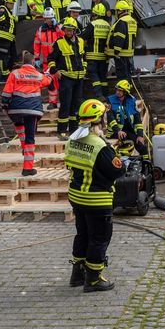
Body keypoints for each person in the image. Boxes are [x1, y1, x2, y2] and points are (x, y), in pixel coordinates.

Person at [64, 100, 125, 293]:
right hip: (96, 200)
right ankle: (93, 279)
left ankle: (77, 274)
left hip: (77, 197)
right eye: (105, 117)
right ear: (99, 120)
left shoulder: (72, 140)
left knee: (83, 235)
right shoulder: (100, 146)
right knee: (99, 238)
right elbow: (117, 171)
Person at [1, 51, 54, 176]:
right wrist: (50, 74)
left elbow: (6, 92)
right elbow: (48, 81)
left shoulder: (14, 74)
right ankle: (27, 168)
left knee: (19, 123)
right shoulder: (38, 75)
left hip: (15, 109)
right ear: (33, 63)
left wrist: (4, 106)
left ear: (23, 63)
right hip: (32, 110)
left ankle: (24, 146)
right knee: (30, 137)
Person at [48, 17, 86, 138]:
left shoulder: (80, 41)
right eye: (66, 30)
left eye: (70, 30)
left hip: (79, 79)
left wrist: (84, 68)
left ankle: (74, 130)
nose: (68, 32)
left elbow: (83, 57)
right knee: (65, 104)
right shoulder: (59, 42)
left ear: (75, 30)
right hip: (66, 79)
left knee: (76, 105)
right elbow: (50, 59)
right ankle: (62, 131)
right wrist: (55, 71)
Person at [107, 80, 147, 156]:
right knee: (129, 140)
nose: (117, 92)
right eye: (117, 89)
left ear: (125, 92)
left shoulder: (131, 101)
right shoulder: (110, 100)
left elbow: (137, 119)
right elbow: (110, 118)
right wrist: (118, 131)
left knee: (142, 146)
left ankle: (146, 164)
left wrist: (140, 135)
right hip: (115, 132)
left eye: (120, 90)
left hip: (129, 130)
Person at [33, 8, 62, 109]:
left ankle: (63, 102)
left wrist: (57, 26)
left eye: (51, 18)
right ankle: (52, 102)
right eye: (47, 18)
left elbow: (63, 36)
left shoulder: (58, 28)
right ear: (44, 19)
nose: (49, 20)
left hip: (60, 61)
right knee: (51, 83)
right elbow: (36, 44)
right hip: (47, 62)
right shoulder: (40, 30)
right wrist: (36, 58)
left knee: (62, 82)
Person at [83, 3, 112, 100]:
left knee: (93, 74)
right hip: (104, 56)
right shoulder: (108, 25)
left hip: (92, 56)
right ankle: (105, 95)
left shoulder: (93, 24)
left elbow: (83, 36)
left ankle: (99, 95)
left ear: (94, 14)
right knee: (103, 76)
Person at [108, 0, 137, 82]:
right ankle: (126, 92)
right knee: (127, 76)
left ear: (120, 11)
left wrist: (116, 52)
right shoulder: (132, 21)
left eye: (117, 11)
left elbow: (120, 37)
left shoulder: (121, 21)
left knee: (122, 77)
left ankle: (123, 93)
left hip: (121, 54)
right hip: (129, 53)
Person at [0, 0, 18, 77]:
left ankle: (9, 71)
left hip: (10, 38)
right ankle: (5, 74)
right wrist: (5, 23)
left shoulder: (9, 12)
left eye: (12, 4)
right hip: (3, 37)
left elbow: (14, 20)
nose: (12, 5)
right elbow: (0, 15)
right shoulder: (2, 9)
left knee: (13, 56)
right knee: (4, 56)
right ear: (5, 2)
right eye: (10, 3)